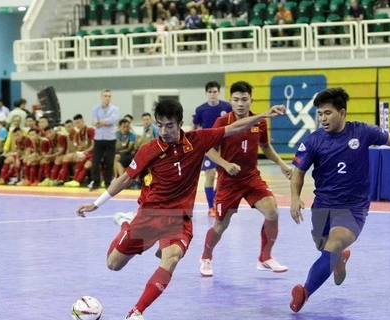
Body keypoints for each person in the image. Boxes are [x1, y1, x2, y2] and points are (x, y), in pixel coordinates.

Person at [76, 99, 286, 320]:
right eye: (160, 125)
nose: (164, 131)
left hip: (178, 219)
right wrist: (96, 203)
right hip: (149, 216)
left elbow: (234, 127)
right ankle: (126, 222)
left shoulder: (198, 140)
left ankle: (136, 312)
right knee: (113, 264)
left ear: (180, 123)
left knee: (171, 257)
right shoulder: (149, 150)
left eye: (169, 125)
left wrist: (264, 115)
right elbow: (125, 179)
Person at [288, 88, 390, 313]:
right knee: (323, 246)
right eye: (320, 114)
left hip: (354, 206)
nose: (323, 118)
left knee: (334, 243)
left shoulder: (362, 131)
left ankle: (304, 293)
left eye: (328, 113)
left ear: (342, 113)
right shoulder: (314, 140)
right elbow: (298, 171)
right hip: (324, 204)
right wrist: (295, 197)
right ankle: (340, 260)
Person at [199, 81, 291, 277]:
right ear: (230, 101)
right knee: (220, 225)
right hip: (228, 182)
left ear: (251, 100)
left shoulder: (260, 122)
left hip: (251, 178)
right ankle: (206, 256)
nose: (240, 104)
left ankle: (265, 258)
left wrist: (282, 164)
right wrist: (225, 164)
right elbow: (207, 149)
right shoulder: (222, 123)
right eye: (236, 100)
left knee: (273, 212)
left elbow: (265, 147)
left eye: (244, 99)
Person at [192, 81, 232, 216]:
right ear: (206, 93)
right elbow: (195, 128)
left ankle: (217, 202)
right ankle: (211, 207)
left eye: (215, 91)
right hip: (208, 146)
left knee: (222, 177)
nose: (212, 94)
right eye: (210, 92)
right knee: (210, 175)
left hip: (224, 145)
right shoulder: (200, 110)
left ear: (219, 92)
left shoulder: (227, 107)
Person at [90, 89, 119, 190]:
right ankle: (96, 182)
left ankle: (107, 183)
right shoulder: (95, 109)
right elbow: (93, 122)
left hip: (110, 138)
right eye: (105, 96)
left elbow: (112, 121)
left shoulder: (115, 109)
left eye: (109, 96)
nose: (107, 98)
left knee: (109, 162)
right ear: (101, 97)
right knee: (95, 162)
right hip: (98, 138)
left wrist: (99, 121)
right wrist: (103, 121)